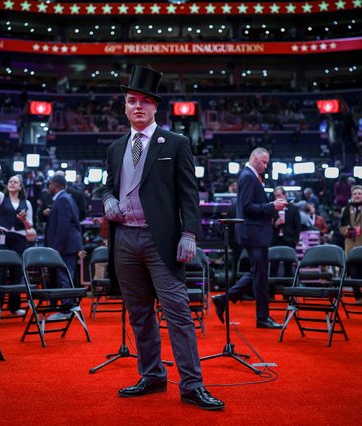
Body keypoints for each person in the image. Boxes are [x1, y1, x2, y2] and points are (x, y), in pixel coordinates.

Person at [101, 65, 224, 410]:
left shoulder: (177, 143)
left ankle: (191, 384)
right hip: (124, 240)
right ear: (124, 108)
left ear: (155, 107)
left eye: (143, 101)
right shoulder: (115, 148)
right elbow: (108, 185)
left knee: (178, 313)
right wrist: (108, 199)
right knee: (139, 314)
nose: (137, 106)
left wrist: (189, 233)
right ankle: (153, 375)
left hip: (162, 242)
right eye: (131, 101)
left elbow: (189, 194)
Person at [212, 148, 288, 330]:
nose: (266, 165)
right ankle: (262, 317)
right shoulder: (248, 177)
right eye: (264, 161)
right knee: (259, 275)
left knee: (258, 273)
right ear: (254, 158)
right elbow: (247, 207)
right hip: (254, 233)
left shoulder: (249, 176)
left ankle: (224, 299)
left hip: (255, 233)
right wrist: (272, 206)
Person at [0, 174, 34, 316]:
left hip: (19, 239)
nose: (12, 183)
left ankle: (15, 306)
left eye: (15, 182)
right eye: (10, 181)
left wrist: (24, 220)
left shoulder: (27, 203)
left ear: (20, 186)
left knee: (17, 272)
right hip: (2, 237)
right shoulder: (1, 198)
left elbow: (30, 226)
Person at [44, 173, 84, 319]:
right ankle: (70, 305)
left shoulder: (62, 200)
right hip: (69, 244)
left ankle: (66, 309)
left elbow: (63, 226)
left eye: (50, 184)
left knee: (64, 276)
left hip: (65, 245)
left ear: (55, 184)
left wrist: (56, 248)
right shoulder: (65, 199)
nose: (49, 187)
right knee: (67, 275)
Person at [270, 185, 302, 279]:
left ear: (284, 195)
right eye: (276, 196)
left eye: (279, 195)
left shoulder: (293, 209)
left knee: (288, 265)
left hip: (289, 240)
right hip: (275, 239)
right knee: (273, 265)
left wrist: (295, 241)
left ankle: (288, 288)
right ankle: (271, 289)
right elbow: (268, 225)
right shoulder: (272, 209)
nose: (277, 198)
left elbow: (298, 226)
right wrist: (275, 224)